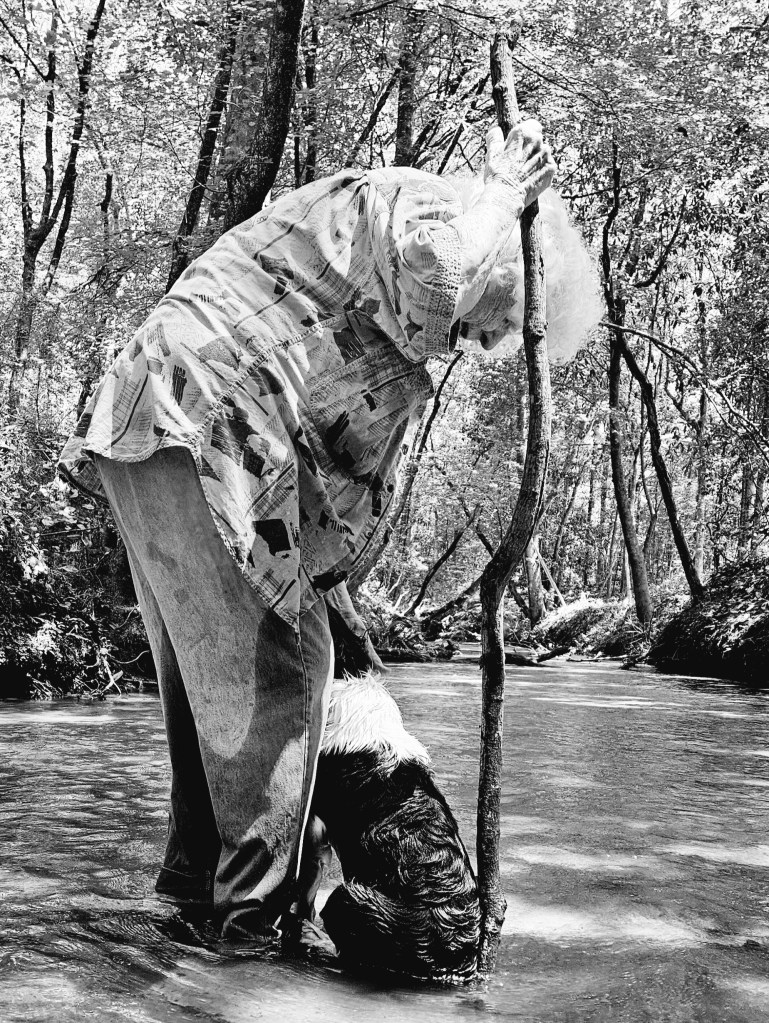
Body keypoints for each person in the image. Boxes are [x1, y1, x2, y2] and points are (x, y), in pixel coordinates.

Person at [58, 120, 593, 944]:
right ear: (504, 265)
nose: (488, 345)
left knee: (205, 704)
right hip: (215, 420)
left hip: (156, 415)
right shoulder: (433, 214)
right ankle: (246, 953)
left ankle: (187, 923)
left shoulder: (365, 274)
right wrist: (500, 191)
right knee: (286, 672)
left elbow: (332, 468)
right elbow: (439, 268)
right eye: (503, 322)